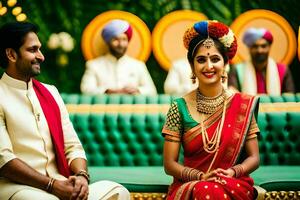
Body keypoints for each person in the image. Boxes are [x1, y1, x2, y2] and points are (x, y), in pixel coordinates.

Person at [0, 22, 130, 200]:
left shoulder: (50, 92)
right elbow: (4, 160)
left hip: (60, 183)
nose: (41, 56)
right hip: (17, 188)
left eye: (40, 49)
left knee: (118, 191)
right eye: (33, 50)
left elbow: (73, 147)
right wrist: (51, 186)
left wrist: (81, 177)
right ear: (11, 54)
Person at [162, 20, 260, 200]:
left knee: (215, 190)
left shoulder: (241, 104)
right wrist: (201, 177)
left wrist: (232, 172)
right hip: (192, 183)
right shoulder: (179, 107)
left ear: (225, 64)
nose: (208, 66)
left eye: (215, 59)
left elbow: (254, 158)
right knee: (207, 190)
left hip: (232, 181)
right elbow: (169, 164)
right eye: (201, 60)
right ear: (192, 66)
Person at [80, 19, 157, 95]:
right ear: (108, 42)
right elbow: (86, 89)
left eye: (124, 39)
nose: (121, 44)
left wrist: (137, 90)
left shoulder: (138, 65)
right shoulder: (94, 65)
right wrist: (107, 91)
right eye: (116, 39)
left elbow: (152, 90)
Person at [228, 27, 295, 95]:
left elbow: (289, 98)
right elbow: (232, 95)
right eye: (255, 46)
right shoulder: (237, 70)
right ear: (249, 48)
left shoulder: (283, 70)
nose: (259, 50)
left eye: (263, 46)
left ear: (269, 47)